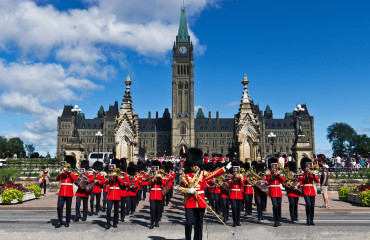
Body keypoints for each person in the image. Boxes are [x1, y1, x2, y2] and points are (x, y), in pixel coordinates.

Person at [178, 148, 232, 240]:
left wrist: (225, 168)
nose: (195, 166)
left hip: (200, 202)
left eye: (197, 164)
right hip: (190, 202)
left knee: (199, 224)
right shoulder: (185, 176)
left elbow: (213, 174)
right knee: (189, 222)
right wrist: (188, 191)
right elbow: (180, 189)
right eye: (193, 164)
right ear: (190, 165)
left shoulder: (202, 174)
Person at [55, 162, 78, 228]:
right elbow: (57, 179)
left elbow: (75, 179)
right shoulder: (63, 174)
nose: (65, 169)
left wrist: (69, 173)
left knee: (68, 208)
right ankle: (60, 221)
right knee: (59, 206)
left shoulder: (72, 174)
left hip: (69, 193)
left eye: (67, 168)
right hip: (62, 192)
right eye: (65, 168)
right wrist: (59, 174)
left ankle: (67, 221)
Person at [299, 158, 320, 226]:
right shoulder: (302, 174)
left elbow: (317, 181)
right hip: (305, 190)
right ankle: (308, 219)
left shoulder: (312, 174)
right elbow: (301, 180)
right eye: (306, 168)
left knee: (312, 206)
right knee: (308, 204)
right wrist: (307, 176)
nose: (307, 169)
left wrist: (313, 175)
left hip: (311, 190)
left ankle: (311, 220)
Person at [266, 158, 286, 227]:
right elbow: (268, 181)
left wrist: (279, 175)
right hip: (272, 192)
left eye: (275, 168)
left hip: (278, 191)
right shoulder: (268, 175)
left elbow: (283, 181)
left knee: (279, 206)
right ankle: (275, 220)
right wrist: (273, 176)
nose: (274, 169)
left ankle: (278, 219)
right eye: (273, 168)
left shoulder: (278, 175)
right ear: (271, 168)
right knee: (275, 206)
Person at [148, 161, 167, 229]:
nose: (155, 172)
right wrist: (153, 178)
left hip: (159, 195)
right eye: (154, 171)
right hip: (152, 195)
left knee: (158, 210)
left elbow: (164, 183)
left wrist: (160, 177)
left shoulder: (161, 177)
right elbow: (149, 184)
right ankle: (152, 222)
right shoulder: (151, 176)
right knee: (152, 209)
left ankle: (157, 221)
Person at [228, 162, 245, 227]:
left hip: (239, 195)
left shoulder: (240, 178)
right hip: (232, 195)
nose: (235, 173)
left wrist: (239, 179)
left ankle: (238, 221)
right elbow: (230, 184)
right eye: (234, 172)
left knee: (238, 209)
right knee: (234, 208)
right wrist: (234, 179)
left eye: (236, 172)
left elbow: (242, 184)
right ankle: (234, 221)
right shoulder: (230, 178)